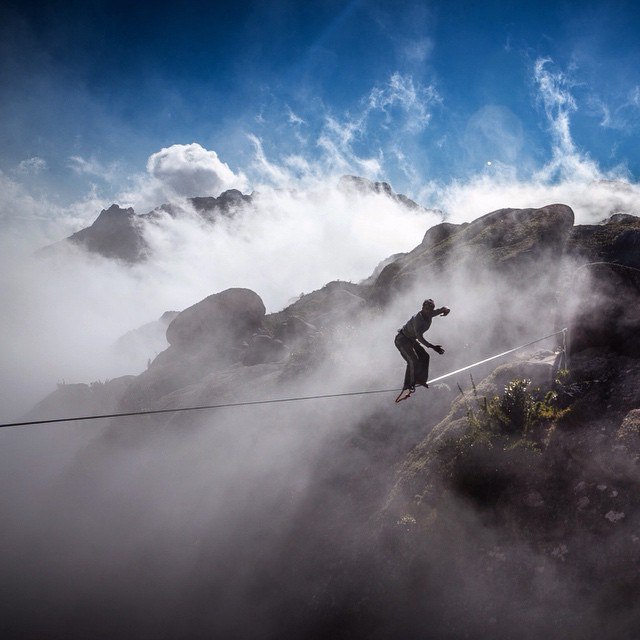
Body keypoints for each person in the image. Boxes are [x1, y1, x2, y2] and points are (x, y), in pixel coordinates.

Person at [395, 299, 450, 403]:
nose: (428, 311)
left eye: (430, 309)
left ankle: (420, 379)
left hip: (411, 340)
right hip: (402, 340)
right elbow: (419, 337)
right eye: (426, 309)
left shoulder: (430, 314)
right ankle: (408, 385)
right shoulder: (418, 319)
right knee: (413, 360)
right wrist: (433, 347)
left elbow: (443, 308)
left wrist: (447, 310)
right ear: (422, 308)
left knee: (425, 356)